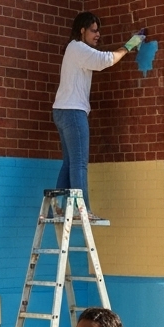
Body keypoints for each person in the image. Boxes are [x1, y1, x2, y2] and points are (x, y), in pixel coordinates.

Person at [53, 12, 143, 215]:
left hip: (62, 110)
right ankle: (81, 209)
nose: (98, 34)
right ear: (82, 30)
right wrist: (130, 45)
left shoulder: (74, 49)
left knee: (69, 162)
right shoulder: (78, 47)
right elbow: (106, 60)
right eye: (93, 30)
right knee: (79, 163)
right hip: (73, 111)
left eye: (98, 30)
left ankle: (57, 205)